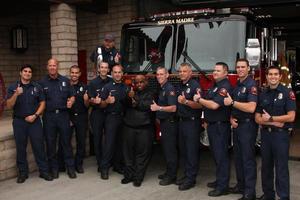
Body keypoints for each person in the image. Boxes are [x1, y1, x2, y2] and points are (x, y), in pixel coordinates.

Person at [6, 64, 53, 183]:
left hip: (35, 121)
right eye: (25, 71)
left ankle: (44, 171)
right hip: (19, 122)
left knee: (39, 147)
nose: (27, 73)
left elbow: (42, 103)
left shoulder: (37, 87)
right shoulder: (13, 87)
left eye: (29, 72)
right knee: (21, 148)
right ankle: (22, 173)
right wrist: (16, 94)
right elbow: (9, 105)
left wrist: (36, 115)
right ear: (20, 73)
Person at [255, 66, 296, 200]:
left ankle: (283, 197)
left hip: (280, 136)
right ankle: (268, 195)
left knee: (281, 168)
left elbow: (291, 117)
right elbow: (257, 118)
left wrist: (271, 119)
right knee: (266, 168)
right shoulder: (263, 93)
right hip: (266, 136)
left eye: (275, 74)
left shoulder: (287, 93)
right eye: (270, 74)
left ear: (280, 76)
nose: (273, 77)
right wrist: (274, 122)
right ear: (266, 77)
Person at [194, 62, 232, 197]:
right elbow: (208, 103)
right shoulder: (215, 86)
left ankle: (223, 187)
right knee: (216, 155)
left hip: (220, 126)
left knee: (221, 156)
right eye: (214, 70)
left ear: (225, 73)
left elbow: (215, 105)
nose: (215, 72)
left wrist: (199, 99)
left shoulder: (224, 86)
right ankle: (219, 181)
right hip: (212, 125)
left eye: (218, 70)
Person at [224, 59, 258, 200]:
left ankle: (250, 193)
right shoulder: (237, 84)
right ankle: (241, 185)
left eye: (243, 67)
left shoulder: (251, 85)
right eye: (238, 67)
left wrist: (232, 102)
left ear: (248, 68)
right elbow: (234, 107)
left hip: (248, 126)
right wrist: (231, 118)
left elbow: (251, 107)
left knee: (248, 159)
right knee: (238, 158)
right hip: (237, 126)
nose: (240, 69)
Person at [39, 58, 76, 179]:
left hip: (63, 115)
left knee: (66, 143)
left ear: (57, 66)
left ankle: (70, 168)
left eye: (54, 65)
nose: (52, 67)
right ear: (47, 67)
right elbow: (40, 101)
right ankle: (54, 169)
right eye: (50, 65)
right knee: (50, 144)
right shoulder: (42, 82)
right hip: (49, 116)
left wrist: (71, 101)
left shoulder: (65, 80)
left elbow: (72, 96)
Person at [122, 75, 154, 187]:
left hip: (144, 129)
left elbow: (145, 106)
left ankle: (138, 177)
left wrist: (134, 98)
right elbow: (125, 104)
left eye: (141, 82)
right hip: (129, 127)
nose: (139, 84)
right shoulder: (130, 92)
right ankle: (129, 175)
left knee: (142, 155)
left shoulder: (151, 93)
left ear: (146, 82)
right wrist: (129, 97)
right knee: (128, 154)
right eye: (137, 82)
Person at [99, 65, 129, 179]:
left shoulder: (126, 87)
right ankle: (104, 168)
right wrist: (107, 101)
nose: (117, 74)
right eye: (115, 72)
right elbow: (101, 105)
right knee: (109, 144)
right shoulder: (107, 87)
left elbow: (128, 103)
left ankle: (117, 166)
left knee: (120, 144)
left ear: (122, 73)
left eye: (119, 72)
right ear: (112, 73)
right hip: (111, 118)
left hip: (123, 118)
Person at [176, 63, 202, 191]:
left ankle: (191, 179)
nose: (181, 73)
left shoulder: (195, 86)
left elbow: (199, 105)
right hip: (182, 122)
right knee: (184, 151)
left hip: (192, 123)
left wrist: (185, 101)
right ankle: (186, 175)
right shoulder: (180, 85)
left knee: (191, 152)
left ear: (190, 73)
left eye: (184, 71)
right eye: (180, 71)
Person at [150, 67, 178, 186]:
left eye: (162, 74)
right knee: (166, 150)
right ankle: (168, 172)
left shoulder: (169, 88)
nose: (159, 76)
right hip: (164, 122)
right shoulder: (162, 88)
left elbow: (173, 108)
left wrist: (158, 109)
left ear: (167, 75)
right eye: (157, 74)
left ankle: (172, 176)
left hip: (170, 123)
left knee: (170, 150)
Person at [88, 61, 112, 173]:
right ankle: (100, 162)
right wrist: (94, 101)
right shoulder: (93, 83)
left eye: (106, 68)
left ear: (108, 70)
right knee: (97, 139)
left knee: (109, 139)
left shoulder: (112, 81)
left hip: (109, 114)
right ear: (98, 69)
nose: (103, 69)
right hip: (97, 113)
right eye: (102, 67)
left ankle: (107, 161)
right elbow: (90, 100)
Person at [69, 65, 89, 173]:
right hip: (69, 117)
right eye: (72, 72)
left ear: (79, 74)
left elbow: (87, 106)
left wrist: (86, 100)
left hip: (81, 117)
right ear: (70, 73)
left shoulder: (84, 87)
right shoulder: (65, 86)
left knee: (81, 142)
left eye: (76, 73)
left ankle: (78, 164)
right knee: (66, 142)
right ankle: (67, 164)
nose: (74, 75)